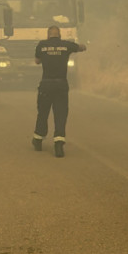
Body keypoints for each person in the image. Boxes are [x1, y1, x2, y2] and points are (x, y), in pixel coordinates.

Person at [32, 26, 86, 157]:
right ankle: (59, 144)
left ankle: (38, 140)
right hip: (61, 84)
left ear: (48, 35)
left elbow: (37, 61)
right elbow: (81, 48)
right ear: (59, 35)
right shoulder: (66, 45)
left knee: (43, 112)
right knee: (60, 114)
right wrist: (82, 46)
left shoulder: (42, 45)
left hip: (46, 84)